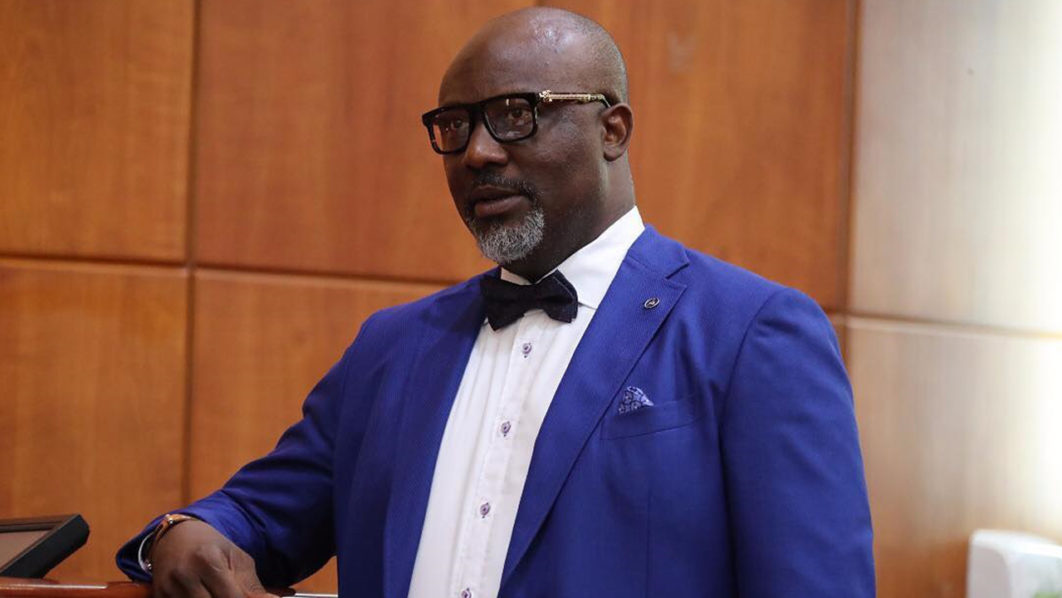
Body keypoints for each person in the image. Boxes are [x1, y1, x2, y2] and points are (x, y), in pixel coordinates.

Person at [117, 7, 874, 598]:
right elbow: (253, 516)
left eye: (517, 113)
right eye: (455, 126)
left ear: (612, 130)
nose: (477, 152)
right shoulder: (392, 350)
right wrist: (182, 532)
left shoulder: (751, 334)